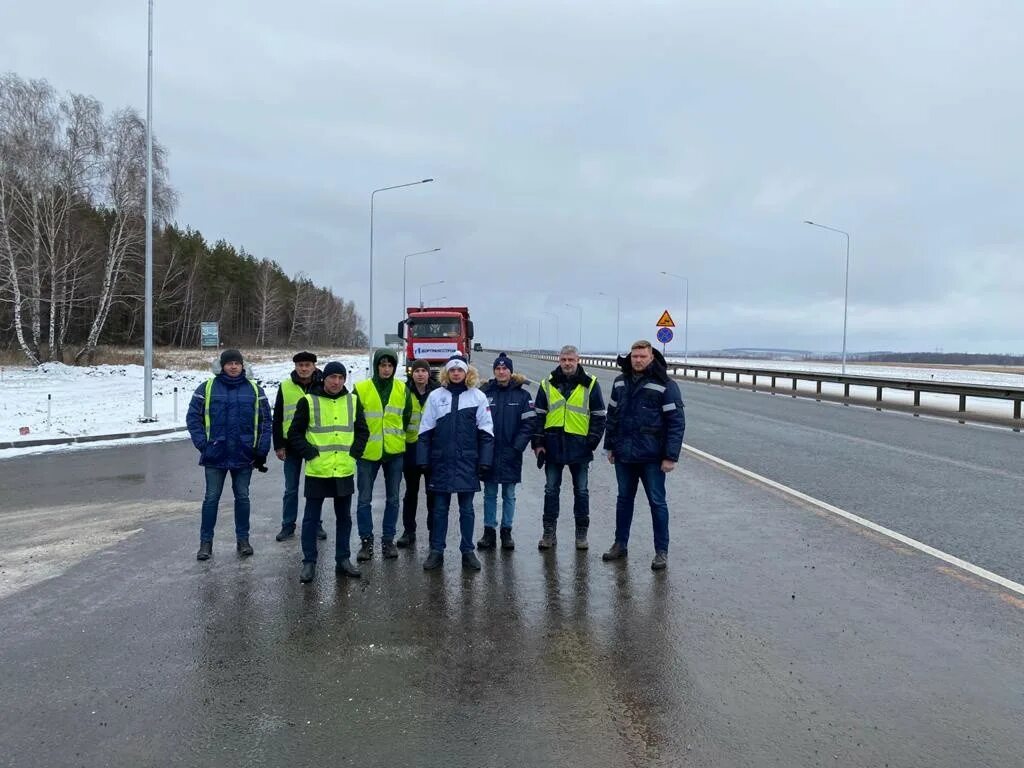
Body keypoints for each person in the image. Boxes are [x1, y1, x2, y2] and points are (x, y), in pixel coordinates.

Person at [602, 340, 685, 571]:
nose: (637, 360)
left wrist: (670, 456)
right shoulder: (620, 382)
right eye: (634, 356)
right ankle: (620, 544)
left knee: (657, 503)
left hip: (652, 457)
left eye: (642, 356)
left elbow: (676, 423)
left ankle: (661, 551)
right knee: (623, 500)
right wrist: (609, 446)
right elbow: (612, 416)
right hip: (624, 454)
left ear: (651, 358)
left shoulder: (665, 384)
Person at [186, 348, 271, 561]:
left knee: (242, 497)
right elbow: (193, 418)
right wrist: (203, 445)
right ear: (222, 366)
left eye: (237, 363)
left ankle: (243, 540)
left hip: (244, 455)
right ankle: (206, 543)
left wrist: (261, 450)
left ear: (243, 365)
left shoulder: (255, 390)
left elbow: (265, 423)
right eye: (229, 363)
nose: (233, 366)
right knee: (211, 498)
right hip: (215, 455)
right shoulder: (207, 388)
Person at [287, 361, 366, 583]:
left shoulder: (353, 401)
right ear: (325, 378)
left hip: (343, 470)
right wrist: (310, 453)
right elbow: (294, 433)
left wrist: (354, 454)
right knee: (311, 519)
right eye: (332, 377)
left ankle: (343, 559)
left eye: (341, 378)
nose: (336, 382)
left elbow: (362, 431)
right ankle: (309, 562)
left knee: (344, 518)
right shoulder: (308, 401)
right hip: (318, 470)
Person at [417, 354, 494, 571]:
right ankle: (436, 551)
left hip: (467, 462)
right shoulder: (436, 396)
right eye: (452, 370)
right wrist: (423, 459)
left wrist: (485, 461)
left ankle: (467, 551)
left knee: (467, 510)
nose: (456, 373)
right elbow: (425, 430)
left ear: (467, 372)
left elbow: (487, 432)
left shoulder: (477, 396)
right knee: (439, 509)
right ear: (447, 373)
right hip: (441, 462)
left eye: (460, 370)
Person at [532, 344, 606, 551]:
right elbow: (538, 416)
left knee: (581, 492)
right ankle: (548, 533)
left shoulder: (590, 383)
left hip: (579, 447)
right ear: (559, 360)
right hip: (552, 446)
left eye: (571, 360)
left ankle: (581, 534)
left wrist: (592, 441)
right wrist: (538, 444)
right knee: (550, 490)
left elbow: (599, 416)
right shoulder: (547, 383)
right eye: (564, 360)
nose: (567, 363)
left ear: (577, 360)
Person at [353, 348, 412, 562]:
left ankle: (388, 540)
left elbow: (406, 417)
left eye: (390, 366)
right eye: (382, 365)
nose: (386, 369)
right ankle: (366, 541)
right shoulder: (361, 388)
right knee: (364, 500)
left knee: (393, 499)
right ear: (376, 366)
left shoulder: (402, 389)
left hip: (394, 452)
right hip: (368, 453)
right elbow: (355, 419)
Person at [477, 352, 535, 551]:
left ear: (511, 372)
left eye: (505, 369)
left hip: (511, 453)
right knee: (490, 494)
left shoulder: (522, 395)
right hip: (489, 453)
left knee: (509, 495)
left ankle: (506, 531)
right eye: (498, 368)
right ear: (494, 371)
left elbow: (529, 424)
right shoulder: (485, 393)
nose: (501, 372)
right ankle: (489, 532)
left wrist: (517, 446)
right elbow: (476, 422)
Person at [272, 350, 326, 542]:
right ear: (295, 367)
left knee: (316, 489)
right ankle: (288, 525)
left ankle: (316, 524)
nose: (303, 369)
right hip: (291, 445)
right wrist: (278, 445)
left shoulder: (322, 385)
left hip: (315, 444)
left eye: (307, 365)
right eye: (300, 365)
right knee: (291, 489)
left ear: (314, 366)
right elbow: (278, 417)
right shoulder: (285, 386)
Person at [397, 359, 438, 548]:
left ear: (429, 374)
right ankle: (409, 531)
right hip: (411, 449)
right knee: (411, 492)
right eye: (417, 371)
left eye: (423, 370)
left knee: (432, 493)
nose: (420, 374)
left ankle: (433, 531)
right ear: (411, 373)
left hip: (431, 450)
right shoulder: (404, 392)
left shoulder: (438, 393)